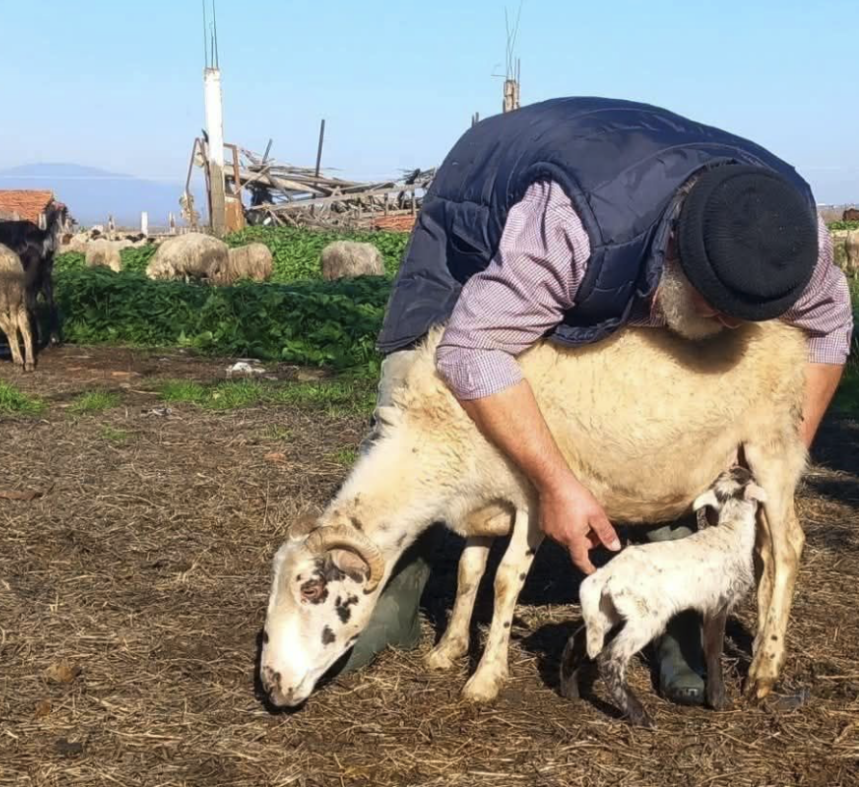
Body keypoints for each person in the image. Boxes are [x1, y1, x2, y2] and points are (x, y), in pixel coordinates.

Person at [338, 97, 854, 704]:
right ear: (676, 261)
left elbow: (829, 329)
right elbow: (471, 348)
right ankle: (384, 604)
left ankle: (671, 610)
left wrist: (787, 452)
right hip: (478, 218)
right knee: (420, 396)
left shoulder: (792, 243)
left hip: (631, 219)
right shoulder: (569, 231)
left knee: (667, 398)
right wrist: (557, 485)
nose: (732, 326)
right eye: (718, 309)